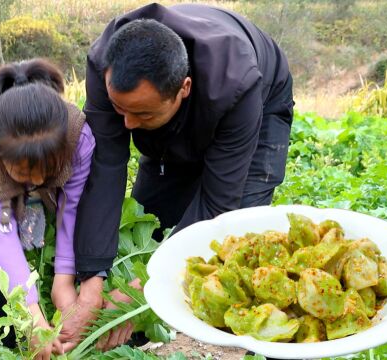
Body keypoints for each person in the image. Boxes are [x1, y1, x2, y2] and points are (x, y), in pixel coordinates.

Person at [67, 3, 295, 350]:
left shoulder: (236, 81)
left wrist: (142, 288)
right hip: (179, 106)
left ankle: (249, 340)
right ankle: (133, 335)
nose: (126, 125)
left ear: (184, 88)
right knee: (150, 221)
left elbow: (219, 202)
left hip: (260, 103)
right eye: (119, 109)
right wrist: (91, 278)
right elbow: (105, 167)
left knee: (234, 235)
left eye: (140, 113)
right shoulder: (106, 65)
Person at [0, 58, 95, 360]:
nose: (39, 181)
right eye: (26, 174)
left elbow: (71, 211)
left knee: (70, 253)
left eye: (46, 170)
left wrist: (64, 281)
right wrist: (31, 315)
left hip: (53, 166)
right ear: (2, 159)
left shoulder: (78, 137)